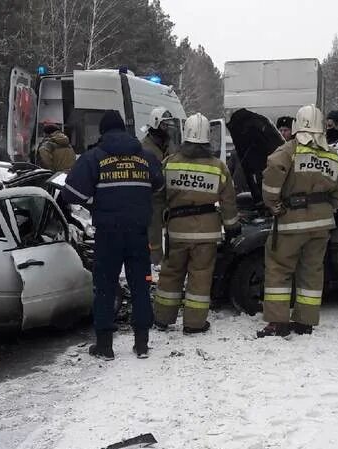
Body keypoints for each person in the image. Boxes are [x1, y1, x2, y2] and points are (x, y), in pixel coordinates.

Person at [61, 110, 165, 360]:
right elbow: (159, 185)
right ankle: (141, 343)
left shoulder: (94, 157)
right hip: (138, 232)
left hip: (108, 233)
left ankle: (105, 346)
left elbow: (70, 194)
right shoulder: (146, 157)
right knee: (141, 284)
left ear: (103, 132)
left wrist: (94, 200)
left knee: (105, 286)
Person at [257, 105, 338, 338]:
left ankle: (278, 322)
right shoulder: (332, 155)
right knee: (312, 272)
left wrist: (273, 203)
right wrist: (324, 209)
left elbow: (273, 173)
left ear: (298, 126)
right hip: (321, 224)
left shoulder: (290, 150)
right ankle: (305, 321)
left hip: (291, 222)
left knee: (278, 269)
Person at [153, 113, 239, 334]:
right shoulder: (218, 167)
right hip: (206, 232)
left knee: (171, 273)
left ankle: (163, 318)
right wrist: (231, 227)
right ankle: (194, 323)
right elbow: (228, 202)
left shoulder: (169, 163)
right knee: (200, 277)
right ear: (207, 138)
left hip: (177, 231)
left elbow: (159, 198)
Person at [142, 107, 176, 265]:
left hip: (171, 198)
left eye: (169, 125)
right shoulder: (143, 149)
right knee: (153, 236)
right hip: (152, 199)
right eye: (164, 125)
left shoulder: (171, 146)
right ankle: (153, 264)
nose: (167, 129)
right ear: (155, 125)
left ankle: (170, 263)